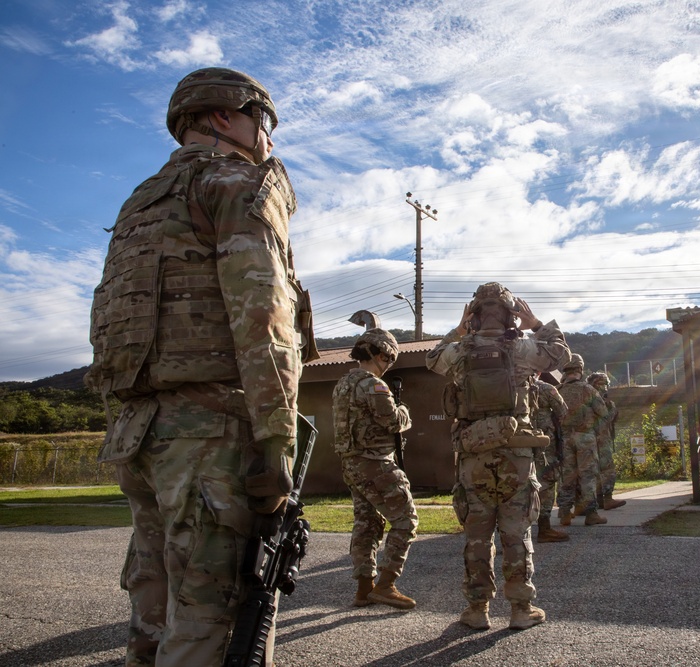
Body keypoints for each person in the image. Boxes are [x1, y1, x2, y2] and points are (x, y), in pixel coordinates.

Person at [87, 67, 318, 666]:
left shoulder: (143, 200)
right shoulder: (237, 181)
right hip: (211, 435)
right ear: (225, 116)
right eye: (264, 120)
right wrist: (276, 435)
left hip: (142, 430)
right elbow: (262, 314)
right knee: (210, 623)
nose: (269, 136)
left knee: (154, 613)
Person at [426, 282, 570, 631]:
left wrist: (459, 330)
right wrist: (535, 322)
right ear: (510, 313)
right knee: (516, 533)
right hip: (516, 455)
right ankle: (521, 609)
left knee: (477, 536)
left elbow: (431, 359)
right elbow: (561, 356)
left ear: (474, 315)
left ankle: (477, 610)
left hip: (473, 456)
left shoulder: (459, 351)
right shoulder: (523, 347)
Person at [332, 328, 419, 610]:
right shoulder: (373, 385)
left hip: (352, 463)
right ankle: (385, 585)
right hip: (375, 463)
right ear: (382, 355)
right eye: (389, 361)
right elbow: (393, 421)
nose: (387, 366)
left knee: (367, 524)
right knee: (406, 521)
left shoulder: (342, 384)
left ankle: (364, 588)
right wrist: (404, 410)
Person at [557, 354, 608, 526]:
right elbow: (603, 412)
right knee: (588, 475)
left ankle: (564, 513)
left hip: (564, 439)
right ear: (580, 369)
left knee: (567, 476)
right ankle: (591, 513)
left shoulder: (558, 390)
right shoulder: (588, 389)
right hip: (585, 437)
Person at [529, 373, 570, 542]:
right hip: (544, 443)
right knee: (547, 480)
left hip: (517, 441)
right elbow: (563, 411)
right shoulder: (545, 388)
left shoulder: (509, 388)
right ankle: (544, 527)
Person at [587, 372, 626, 511]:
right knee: (607, 469)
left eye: (605, 384)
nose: (604, 387)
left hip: (591, 439)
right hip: (599, 439)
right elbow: (605, 420)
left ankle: (599, 500)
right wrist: (612, 409)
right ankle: (607, 498)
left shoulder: (586, 398)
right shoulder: (599, 401)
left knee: (594, 471)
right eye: (600, 384)